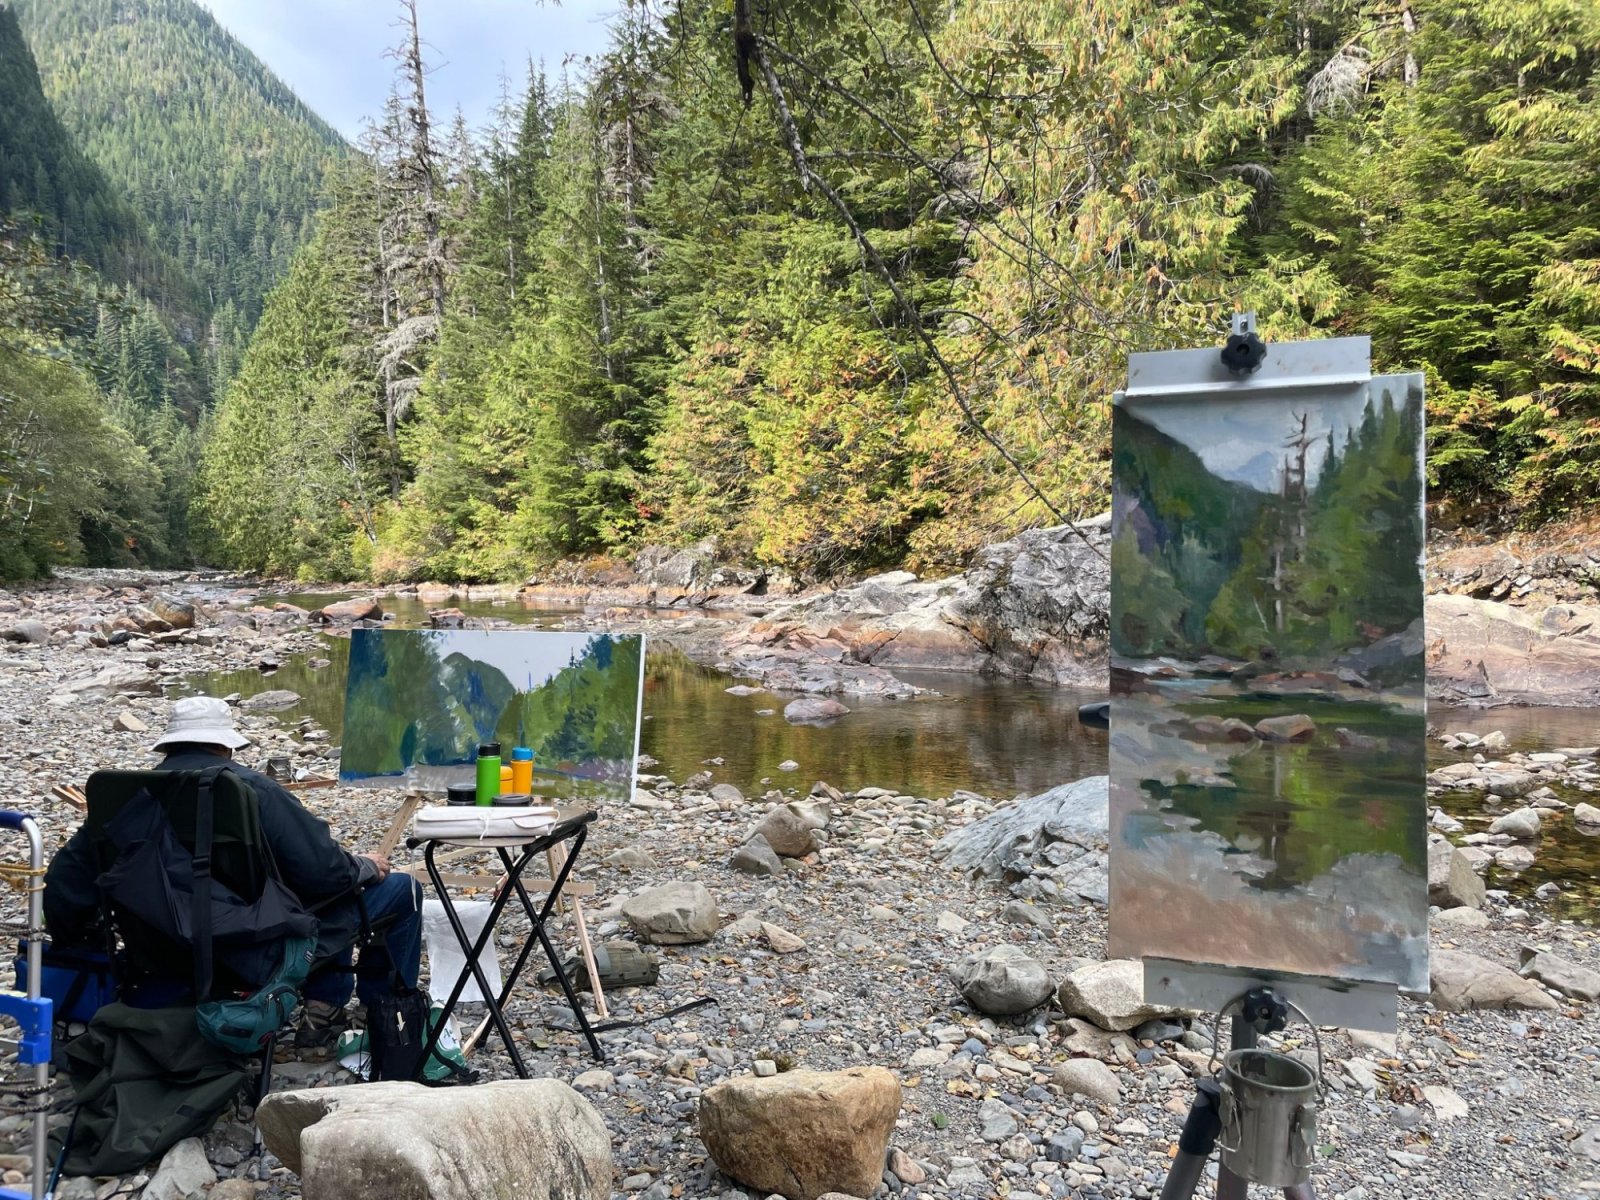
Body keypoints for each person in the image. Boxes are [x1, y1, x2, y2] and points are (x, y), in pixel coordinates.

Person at [44, 695, 423, 1049]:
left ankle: (326, 1002)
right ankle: (382, 1018)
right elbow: (325, 874)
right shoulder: (250, 789)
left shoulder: (124, 799)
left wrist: (83, 942)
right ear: (226, 746)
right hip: (253, 952)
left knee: (309, 891)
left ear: (169, 746)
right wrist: (365, 865)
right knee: (399, 890)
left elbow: (64, 885)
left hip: (158, 954)